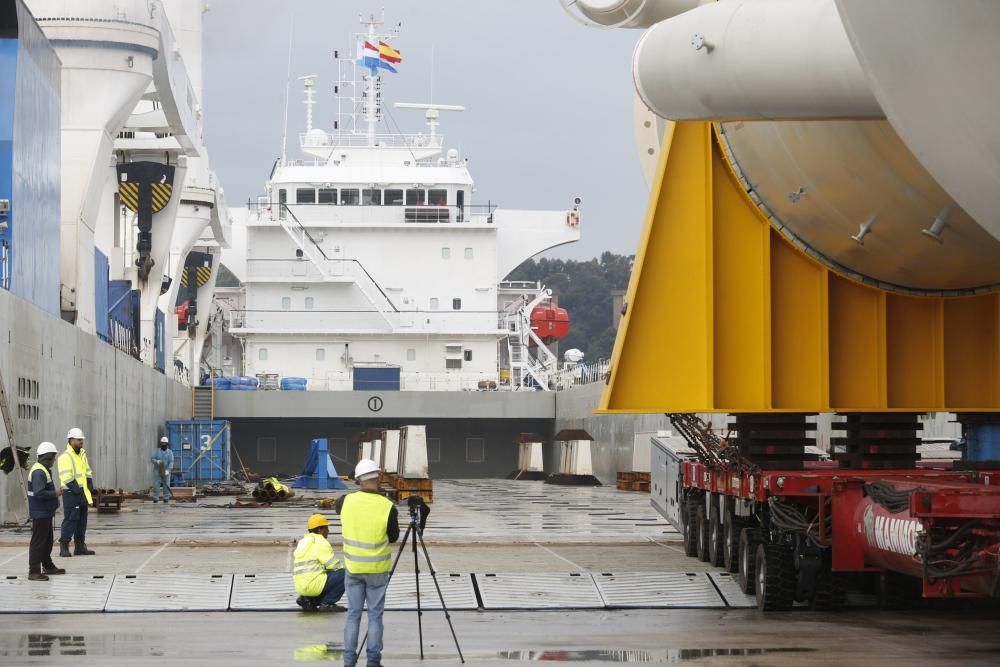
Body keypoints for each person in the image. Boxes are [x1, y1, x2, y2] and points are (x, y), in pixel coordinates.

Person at [336, 459, 399, 667]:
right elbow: (393, 537)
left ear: (358, 480)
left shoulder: (344, 501)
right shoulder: (387, 506)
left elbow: (342, 514)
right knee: (375, 616)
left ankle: (348, 661)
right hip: (377, 571)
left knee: (353, 615)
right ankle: (373, 662)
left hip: (353, 569)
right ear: (378, 477)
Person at [27, 442, 66, 580]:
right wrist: (55, 494)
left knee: (47, 541)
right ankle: (34, 571)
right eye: (53, 457)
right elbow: (39, 493)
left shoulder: (42, 469)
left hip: (45, 512)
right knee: (39, 542)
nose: (54, 460)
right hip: (40, 512)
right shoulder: (38, 471)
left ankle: (48, 566)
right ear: (47, 457)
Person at [293, 513, 346, 612]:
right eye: (326, 528)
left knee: (326, 575)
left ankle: (309, 600)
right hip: (314, 585)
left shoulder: (304, 542)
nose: (328, 531)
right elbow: (334, 566)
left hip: (301, 587)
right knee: (346, 574)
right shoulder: (320, 542)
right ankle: (327, 603)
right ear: (319, 529)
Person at [56, 427, 96, 557]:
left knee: (82, 521)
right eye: (79, 440)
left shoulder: (82, 455)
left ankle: (79, 547)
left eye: (81, 440)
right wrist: (78, 491)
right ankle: (64, 546)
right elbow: (67, 477)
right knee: (71, 520)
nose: (81, 442)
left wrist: (89, 485)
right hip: (71, 494)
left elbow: (87, 471)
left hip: (82, 493)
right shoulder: (65, 457)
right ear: (71, 440)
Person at [151, 436, 174, 503]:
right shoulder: (156, 451)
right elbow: (152, 459)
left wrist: (168, 470)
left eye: (165, 444)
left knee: (166, 484)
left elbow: (171, 461)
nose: (163, 445)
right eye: (162, 444)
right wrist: (156, 461)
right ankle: (155, 498)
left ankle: (166, 498)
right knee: (156, 484)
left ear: (167, 444)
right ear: (161, 444)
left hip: (166, 471)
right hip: (157, 471)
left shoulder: (170, 452)